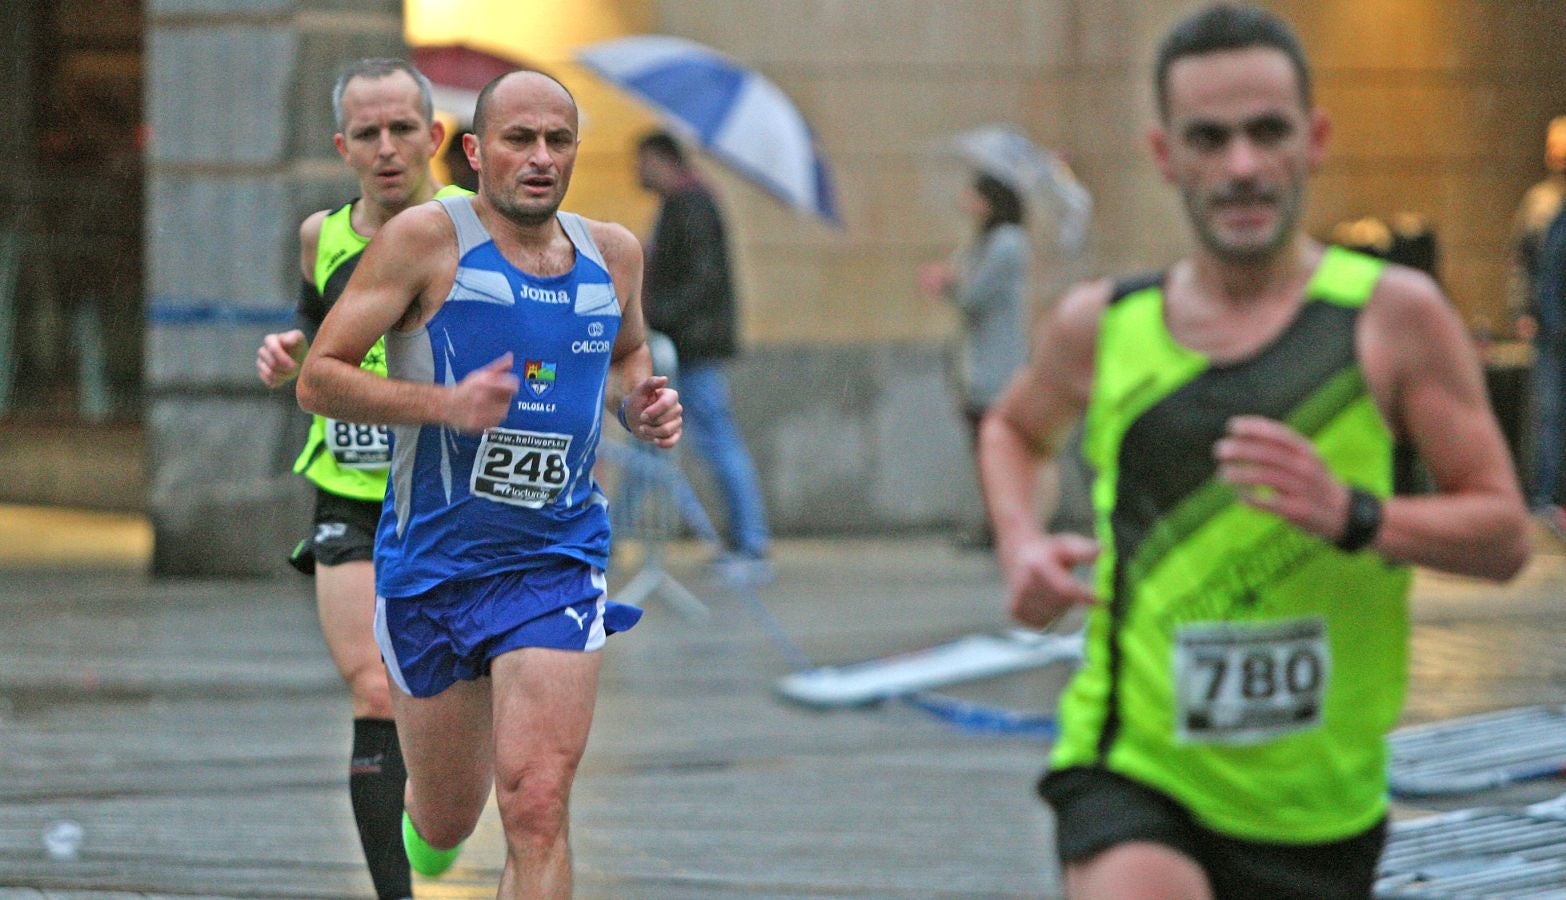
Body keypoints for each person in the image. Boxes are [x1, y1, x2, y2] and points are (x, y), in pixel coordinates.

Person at [977, 6, 1531, 898]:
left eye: (1266, 132)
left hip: (1321, 804)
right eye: (1210, 137)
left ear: (1312, 141)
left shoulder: (1391, 318)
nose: (1241, 166)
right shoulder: (1105, 326)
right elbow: (1012, 429)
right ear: (1167, 156)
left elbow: (1504, 535)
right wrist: (1021, 545)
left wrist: (1354, 512)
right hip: (1138, 765)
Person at [296, 70, 681, 897]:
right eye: (518, 140)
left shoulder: (613, 253)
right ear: (473, 152)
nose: (540, 158)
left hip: (554, 560)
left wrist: (642, 403)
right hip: (434, 567)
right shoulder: (423, 242)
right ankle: (428, 845)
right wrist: (445, 404)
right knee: (444, 819)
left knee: (537, 803)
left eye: (558, 140)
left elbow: (627, 355)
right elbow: (318, 379)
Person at [254, 57, 465, 900]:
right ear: (343, 146)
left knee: (448, 710)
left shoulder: (473, 228)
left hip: (452, 499)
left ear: (435, 137)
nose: (387, 148)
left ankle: (442, 813)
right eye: (368, 134)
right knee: (375, 686)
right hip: (351, 487)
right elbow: (317, 329)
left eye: (403, 129)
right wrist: (288, 355)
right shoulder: (321, 235)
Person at [634, 130, 772, 572]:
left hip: (689, 346)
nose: (637, 172)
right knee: (646, 440)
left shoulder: (691, 205)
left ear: (663, 160)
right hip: (680, 342)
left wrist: (658, 313)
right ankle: (612, 535)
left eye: (643, 162)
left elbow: (701, 280)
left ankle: (750, 543)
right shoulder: (678, 207)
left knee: (714, 437)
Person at [919, 172, 1032, 549]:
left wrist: (949, 282)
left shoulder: (1007, 243)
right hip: (977, 361)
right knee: (981, 446)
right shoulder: (983, 244)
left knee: (994, 446)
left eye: (974, 194)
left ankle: (1003, 525)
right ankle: (994, 521)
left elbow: (973, 296)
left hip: (997, 365)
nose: (966, 201)